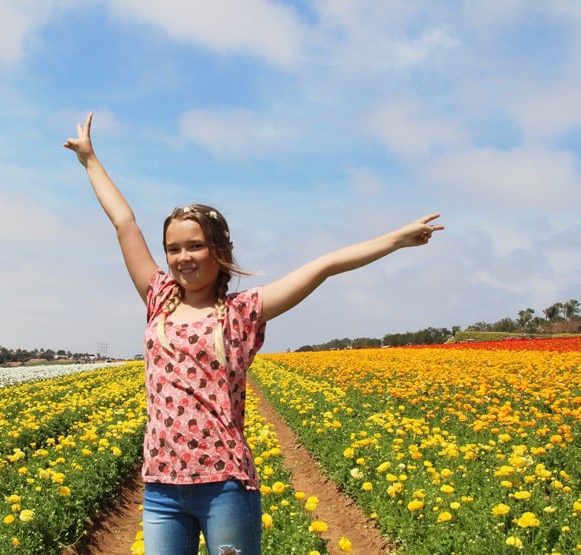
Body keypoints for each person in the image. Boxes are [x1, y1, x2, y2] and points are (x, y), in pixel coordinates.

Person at [64, 112, 444, 555]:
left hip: (224, 484)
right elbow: (125, 222)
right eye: (173, 248)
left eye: (195, 245)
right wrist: (90, 159)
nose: (182, 257)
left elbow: (322, 266)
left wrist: (395, 240)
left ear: (219, 251)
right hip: (161, 488)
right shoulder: (158, 298)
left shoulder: (242, 312)